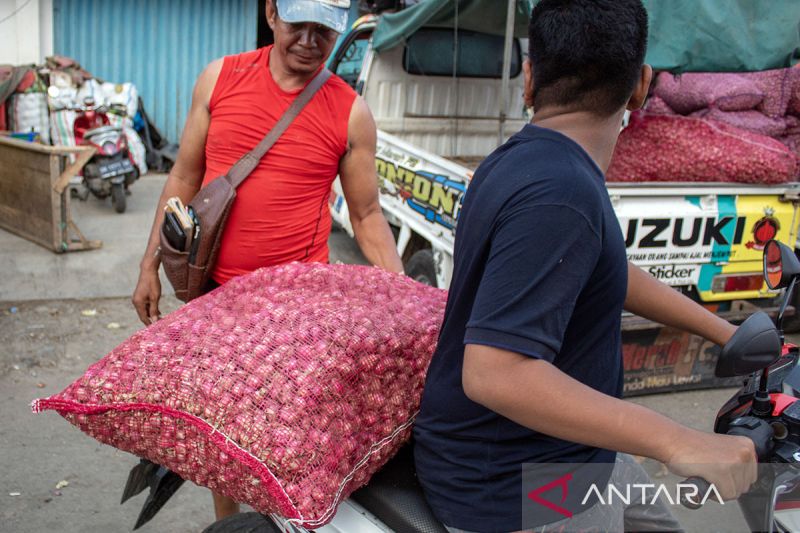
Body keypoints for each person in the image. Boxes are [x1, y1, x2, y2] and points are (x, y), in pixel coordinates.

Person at [412, 1, 756, 531]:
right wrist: (679, 441)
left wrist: (728, 333)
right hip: (517, 485)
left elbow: (606, 268)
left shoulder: (529, 160)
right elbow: (495, 374)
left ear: (528, 79)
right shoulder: (560, 191)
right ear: (640, 86)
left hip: (575, 452)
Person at [132, 0, 403, 521]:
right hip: (214, 296)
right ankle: (229, 527)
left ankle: (277, 524)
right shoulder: (220, 79)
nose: (308, 40)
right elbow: (184, 179)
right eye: (298, 23)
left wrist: (404, 296)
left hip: (298, 315)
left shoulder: (350, 111)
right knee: (220, 428)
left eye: (323, 29)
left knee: (284, 435)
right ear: (272, 11)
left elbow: (367, 215)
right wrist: (149, 265)